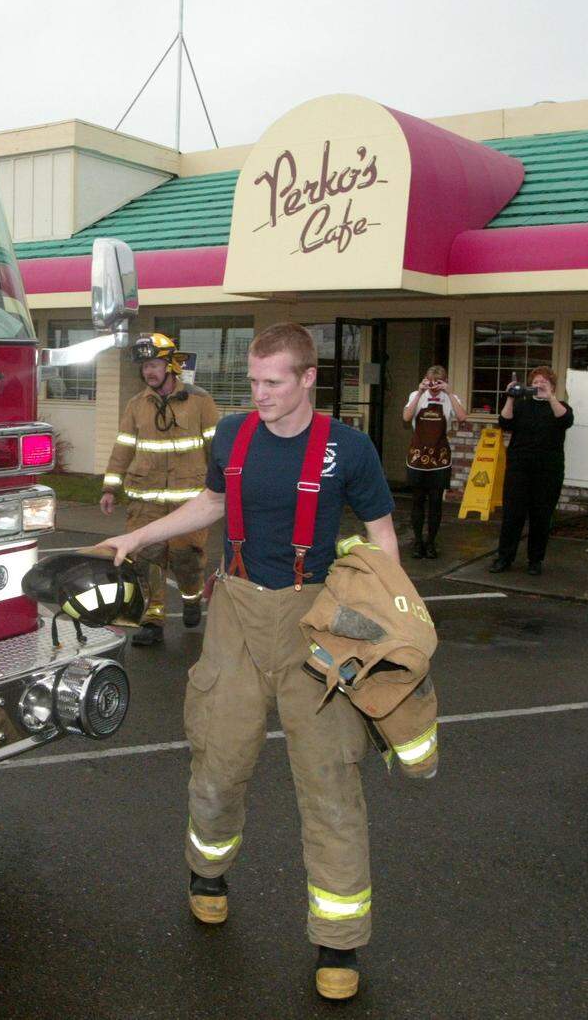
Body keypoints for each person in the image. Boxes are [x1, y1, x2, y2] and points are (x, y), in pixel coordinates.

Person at [98, 323, 398, 1001]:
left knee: (330, 783)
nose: (258, 394)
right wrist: (138, 536)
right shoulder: (232, 435)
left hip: (314, 620)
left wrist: (386, 631)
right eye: (253, 382)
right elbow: (209, 503)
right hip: (234, 611)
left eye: (272, 382)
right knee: (218, 764)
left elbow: (382, 542)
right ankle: (206, 871)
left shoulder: (348, 449)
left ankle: (338, 941)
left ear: (307, 379)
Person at [99, 332, 219, 647]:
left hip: (188, 503)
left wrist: (223, 488)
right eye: (144, 367)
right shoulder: (136, 405)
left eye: (154, 364)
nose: (148, 372)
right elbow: (123, 446)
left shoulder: (200, 401)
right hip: (145, 499)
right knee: (146, 559)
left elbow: (217, 447)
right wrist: (111, 486)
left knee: (186, 558)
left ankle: (191, 598)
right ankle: (152, 619)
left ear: (170, 366)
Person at [490, 366, 574, 576]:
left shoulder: (560, 406)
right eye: (535, 383)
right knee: (512, 516)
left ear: (553, 386)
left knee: (541, 516)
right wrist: (510, 397)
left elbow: (566, 420)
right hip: (519, 468)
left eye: (543, 383)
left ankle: (535, 560)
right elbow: (504, 423)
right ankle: (504, 558)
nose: (538, 387)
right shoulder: (522, 405)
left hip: (548, 471)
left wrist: (550, 397)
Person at [401, 364, 466, 559]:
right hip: (418, 455)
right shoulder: (416, 395)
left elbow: (462, 417)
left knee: (436, 501)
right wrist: (421, 393)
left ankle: (431, 543)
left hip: (440, 455)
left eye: (438, 382)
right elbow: (406, 417)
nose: (434, 386)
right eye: (431, 382)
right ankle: (418, 542)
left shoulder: (449, 398)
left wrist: (450, 392)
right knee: (418, 500)